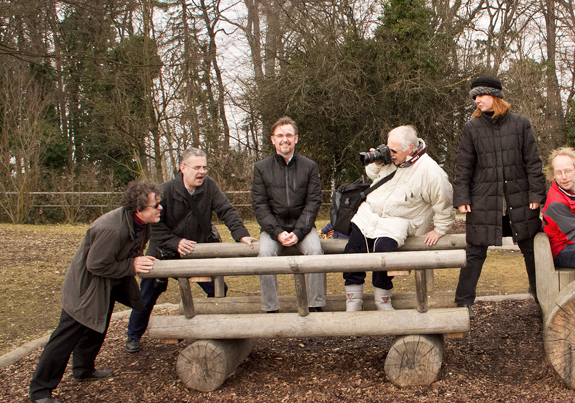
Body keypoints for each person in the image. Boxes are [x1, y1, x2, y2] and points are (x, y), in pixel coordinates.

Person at [29, 180, 162, 403]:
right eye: (155, 206)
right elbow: (96, 265)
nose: (160, 208)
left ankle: (83, 369)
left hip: (107, 283)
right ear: (138, 210)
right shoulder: (112, 229)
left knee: (96, 327)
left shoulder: (143, 224)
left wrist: (135, 260)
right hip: (85, 288)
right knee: (65, 337)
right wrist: (131, 265)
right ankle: (40, 390)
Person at [124, 148, 256, 353]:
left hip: (195, 251)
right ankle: (133, 335)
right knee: (147, 293)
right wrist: (175, 241)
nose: (202, 171)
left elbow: (226, 210)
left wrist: (241, 234)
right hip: (162, 251)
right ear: (182, 168)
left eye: (204, 167)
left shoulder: (210, 187)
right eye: (197, 167)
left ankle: (210, 330)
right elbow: (154, 225)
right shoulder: (165, 190)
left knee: (218, 289)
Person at [452, 76, 546, 317]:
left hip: (520, 200)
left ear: (495, 95)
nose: (476, 100)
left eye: (480, 95)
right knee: (474, 253)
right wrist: (462, 197)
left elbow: (533, 163)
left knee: (532, 250)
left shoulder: (521, 124)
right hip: (484, 201)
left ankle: (541, 300)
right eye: (474, 96)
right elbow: (463, 166)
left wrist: (536, 193)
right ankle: (463, 303)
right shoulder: (472, 128)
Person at [343, 125, 454, 311]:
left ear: (410, 148)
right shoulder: (391, 159)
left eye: (393, 150)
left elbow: (443, 199)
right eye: (388, 147)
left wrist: (440, 229)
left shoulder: (431, 171)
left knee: (383, 256)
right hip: (368, 214)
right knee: (352, 251)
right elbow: (373, 175)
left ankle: (383, 299)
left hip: (400, 220)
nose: (389, 153)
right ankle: (353, 300)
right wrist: (376, 162)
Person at [252, 117, 326, 312]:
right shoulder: (261, 168)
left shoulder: (310, 167)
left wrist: (299, 232)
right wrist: (277, 232)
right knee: (265, 255)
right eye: (280, 135)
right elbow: (260, 205)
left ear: (296, 138)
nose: (284, 139)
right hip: (273, 228)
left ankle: (315, 305)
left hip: (303, 227)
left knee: (316, 252)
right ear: (273, 139)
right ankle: (270, 308)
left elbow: (313, 202)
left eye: (288, 135)